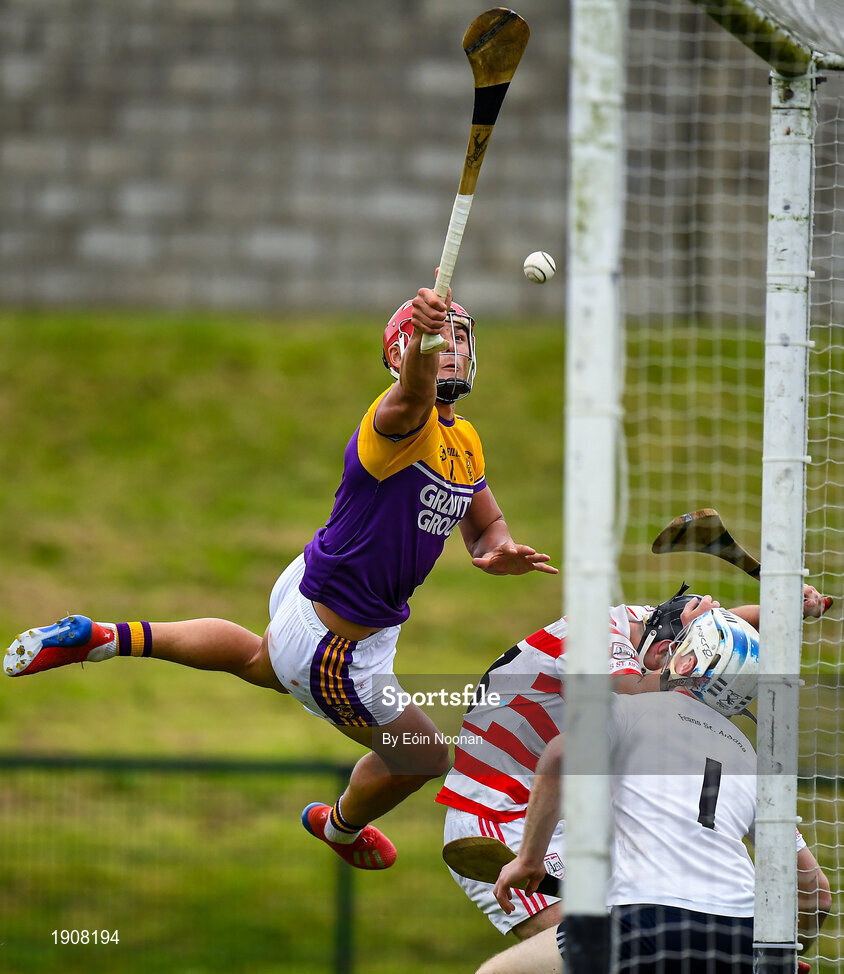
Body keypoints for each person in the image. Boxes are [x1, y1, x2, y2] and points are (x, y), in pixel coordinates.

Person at [4, 285, 557, 871]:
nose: (452, 347)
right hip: (339, 644)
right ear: (400, 357)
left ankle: (103, 636)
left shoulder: (463, 441)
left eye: (461, 338)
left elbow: (483, 519)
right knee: (422, 757)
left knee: (258, 661)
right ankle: (340, 828)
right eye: (436, 340)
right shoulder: (398, 419)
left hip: (311, 595)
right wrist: (424, 340)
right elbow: (416, 391)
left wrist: (497, 547)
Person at [436, 583, 828, 940]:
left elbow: (719, 636)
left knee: (645, 936)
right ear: (664, 653)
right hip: (501, 812)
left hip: (568, 805)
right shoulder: (597, 634)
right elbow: (635, 688)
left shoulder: (655, 629)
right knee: (600, 950)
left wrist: (781, 608)